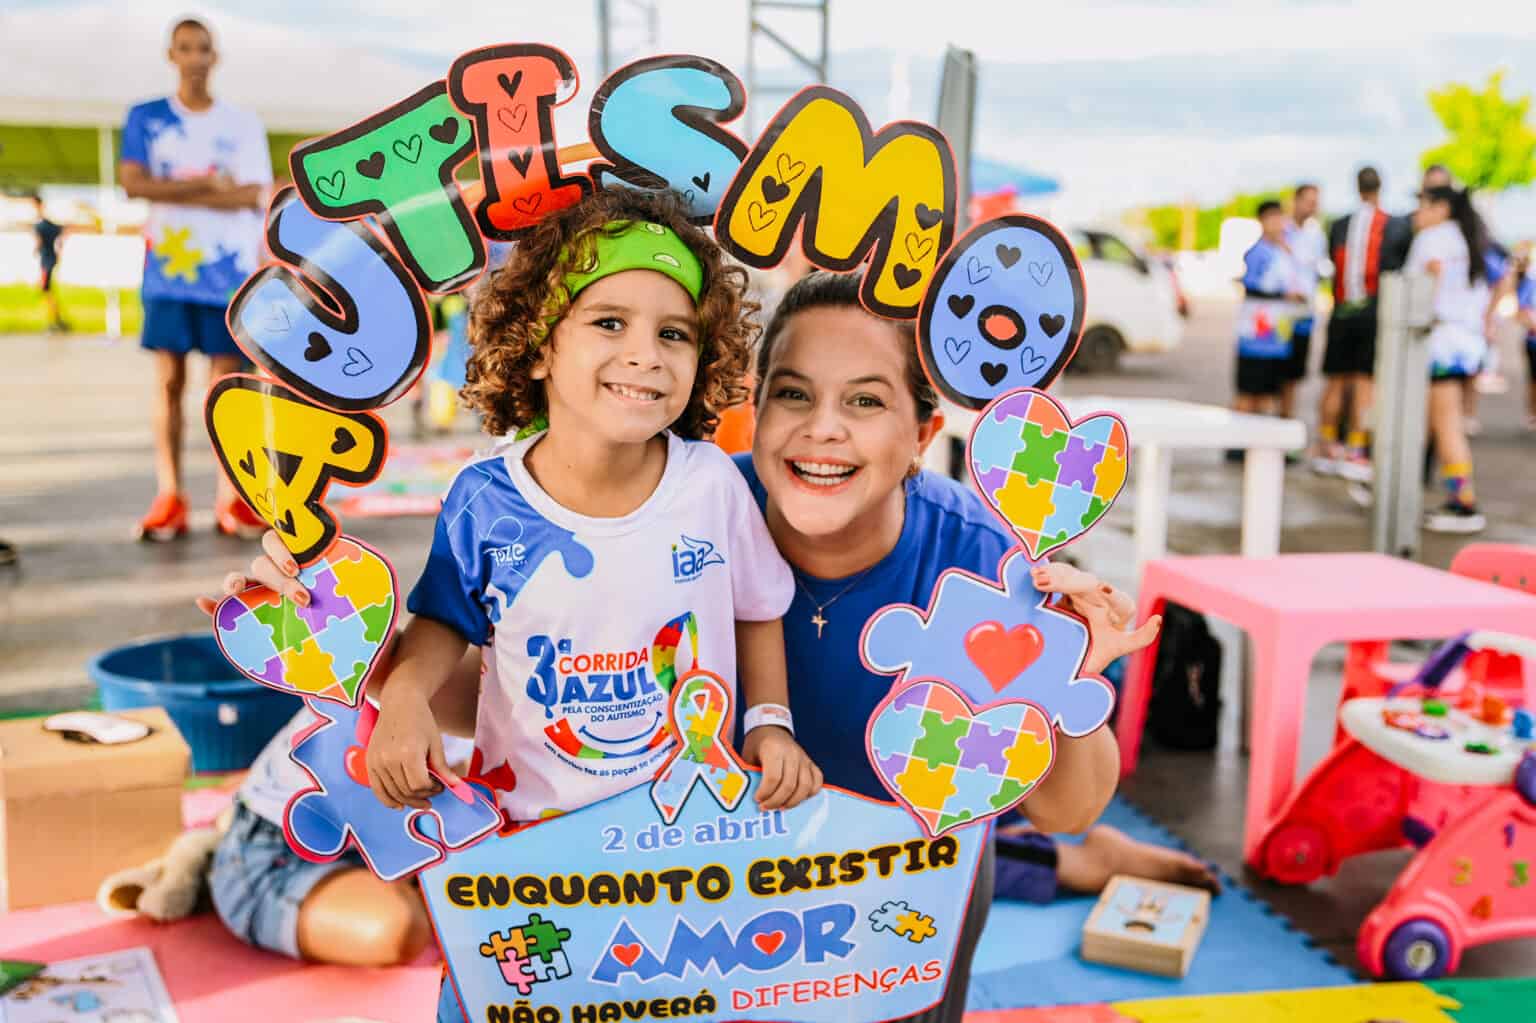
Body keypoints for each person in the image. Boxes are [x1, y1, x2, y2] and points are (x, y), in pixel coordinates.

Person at [208, 264, 1141, 1023]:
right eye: (791, 394)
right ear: (752, 405)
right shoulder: (687, 504)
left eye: (865, 401)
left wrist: (1068, 683)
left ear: (921, 431)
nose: (822, 429)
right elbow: (501, 678)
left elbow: (1063, 811)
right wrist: (324, 625)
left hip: (889, 922)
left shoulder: (985, 560)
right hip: (685, 911)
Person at [120, 17, 272, 541]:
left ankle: (232, 499)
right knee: (168, 382)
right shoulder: (146, 117)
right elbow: (132, 184)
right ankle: (170, 495)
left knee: (224, 390)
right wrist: (212, 185)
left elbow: (255, 193)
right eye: (185, 48)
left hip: (228, 270)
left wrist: (175, 189)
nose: (194, 57)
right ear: (172, 55)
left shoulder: (243, 123)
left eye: (203, 48)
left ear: (215, 56)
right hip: (170, 268)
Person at [1315, 166, 1411, 481]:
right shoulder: (1394, 225)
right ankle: (1356, 450)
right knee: (1363, 383)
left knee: (1335, 382)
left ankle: (1327, 446)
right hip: (1371, 312)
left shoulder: (1340, 224)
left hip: (1342, 310)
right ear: (1380, 187)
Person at [1409, 184, 1494, 534]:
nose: (1417, 214)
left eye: (1423, 205)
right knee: (1443, 422)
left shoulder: (1433, 240)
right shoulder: (1469, 237)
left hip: (1441, 343)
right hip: (1467, 342)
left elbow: (1423, 284)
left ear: (1441, 207)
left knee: (1447, 425)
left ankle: (1463, 502)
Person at [1232, 201, 1305, 421]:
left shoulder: (1283, 251)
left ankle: (1258, 443)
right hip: (1256, 337)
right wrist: (1284, 296)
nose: (1277, 224)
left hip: (1276, 336)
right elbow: (1251, 288)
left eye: (1279, 218)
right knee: (1250, 391)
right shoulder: (1258, 253)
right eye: (1271, 218)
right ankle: (1238, 443)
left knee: (1269, 393)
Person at [1281, 183, 1327, 421]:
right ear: (1296, 200)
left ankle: (1285, 424)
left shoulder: (1316, 235)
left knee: (1293, 376)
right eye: (1308, 201)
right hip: (1278, 315)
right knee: (1271, 375)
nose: (1312, 207)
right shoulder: (1280, 230)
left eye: (1315, 202)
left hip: (1303, 315)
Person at [1505, 241, 1536, 430]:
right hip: (1533, 341)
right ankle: (1533, 414)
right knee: (1534, 381)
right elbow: (1520, 312)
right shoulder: (1531, 283)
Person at [31, 194, 66, 333]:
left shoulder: (40, 225)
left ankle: (55, 321)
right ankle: (56, 320)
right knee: (48, 291)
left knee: (47, 291)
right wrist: (58, 251)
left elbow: (38, 242)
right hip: (50, 259)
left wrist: (35, 249)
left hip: (46, 261)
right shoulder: (50, 223)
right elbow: (61, 234)